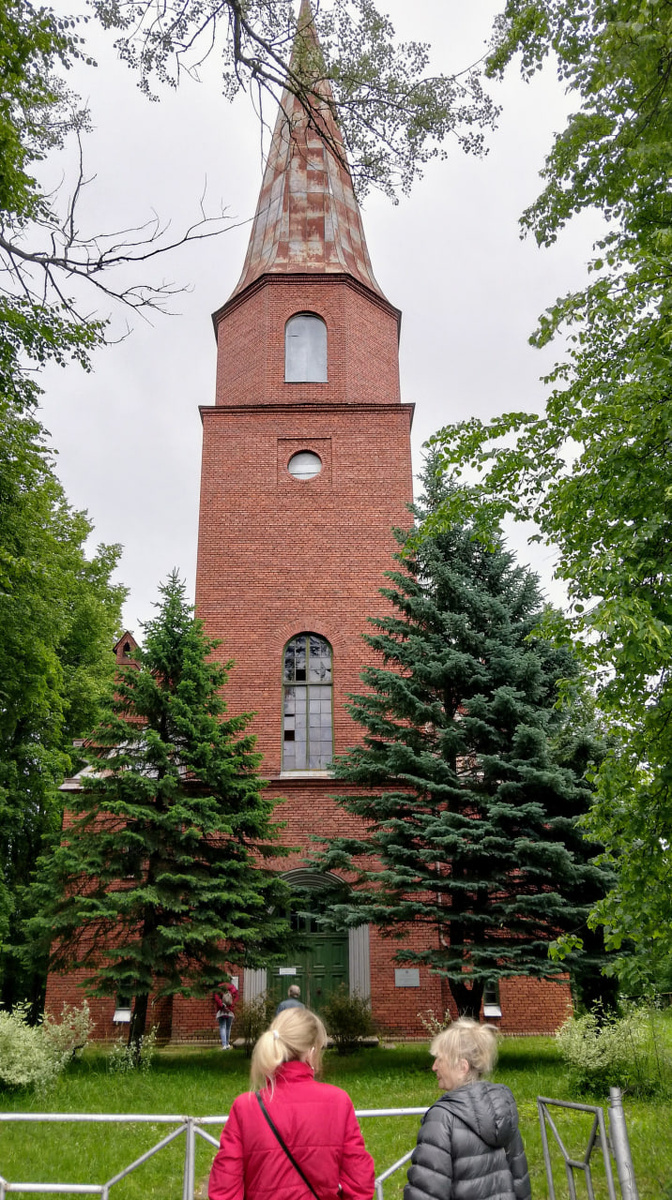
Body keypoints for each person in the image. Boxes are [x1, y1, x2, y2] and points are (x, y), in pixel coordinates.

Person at [209, 1007, 375, 1200]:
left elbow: (224, 1189)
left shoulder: (245, 1107)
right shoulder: (338, 1101)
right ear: (311, 1051)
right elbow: (359, 1183)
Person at [404, 1018, 531, 1200]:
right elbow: (521, 1185)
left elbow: (425, 1194)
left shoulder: (442, 1118)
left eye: (440, 1059)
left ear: (462, 1067)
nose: (434, 1067)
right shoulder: (502, 1111)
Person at [214, 981, 238, 1050]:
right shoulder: (232, 987)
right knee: (228, 1028)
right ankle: (227, 1044)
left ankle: (224, 1045)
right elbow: (236, 997)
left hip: (221, 1010)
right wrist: (231, 1006)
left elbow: (216, 998)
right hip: (230, 1011)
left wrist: (222, 1006)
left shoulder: (220, 987)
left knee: (222, 1027)